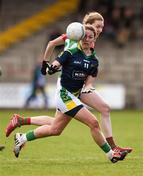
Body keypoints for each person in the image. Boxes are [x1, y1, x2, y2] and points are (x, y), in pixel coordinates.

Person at [6, 12, 132, 154]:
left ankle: (21, 123)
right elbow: (55, 46)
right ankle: (112, 149)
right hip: (68, 84)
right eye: (98, 26)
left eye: (102, 27)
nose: (100, 29)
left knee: (56, 126)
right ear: (87, 25)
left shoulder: (90, 40)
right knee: (102, 110)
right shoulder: (76, 35)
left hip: (76, 84)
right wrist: (47, 63)